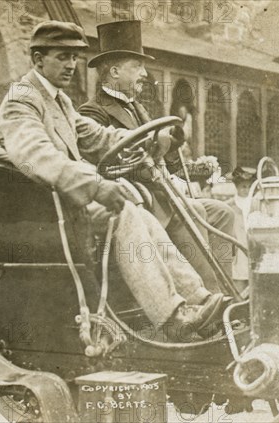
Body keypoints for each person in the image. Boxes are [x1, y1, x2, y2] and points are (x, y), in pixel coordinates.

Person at [0, 20, 226, 340]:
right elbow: (34, 156)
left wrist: (147, 139)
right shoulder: (22, 98)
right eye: (62, 57)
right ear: (37, 59)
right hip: (30, 214)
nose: (71, 65)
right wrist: (96, 187)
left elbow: (99, 137)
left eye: (74, 57)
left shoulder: (58, 100)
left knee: (138, 211)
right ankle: (171, 316)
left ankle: (198, 300)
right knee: (125, 212)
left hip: (60, 206)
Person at [78, 20, 235, 292]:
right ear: (114, 71)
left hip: (164, 196)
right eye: (137, 66)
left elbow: (169, 164)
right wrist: (154, 145)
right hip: (138, 201)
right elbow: (108, 167)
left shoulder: (138, 109)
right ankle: (213, 301)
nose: (144, 73)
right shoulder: (92, 114)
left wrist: (176, 147)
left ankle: (227, 287)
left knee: (223, 213)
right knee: (193, 210)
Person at [225, 166, 256, 286]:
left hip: (251, 243)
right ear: (237, 187)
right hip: (237, 245)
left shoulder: (255, 203)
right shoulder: (229, 205)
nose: (246, 190)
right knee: (238, 276)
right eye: (243, 186)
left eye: (249, 187)